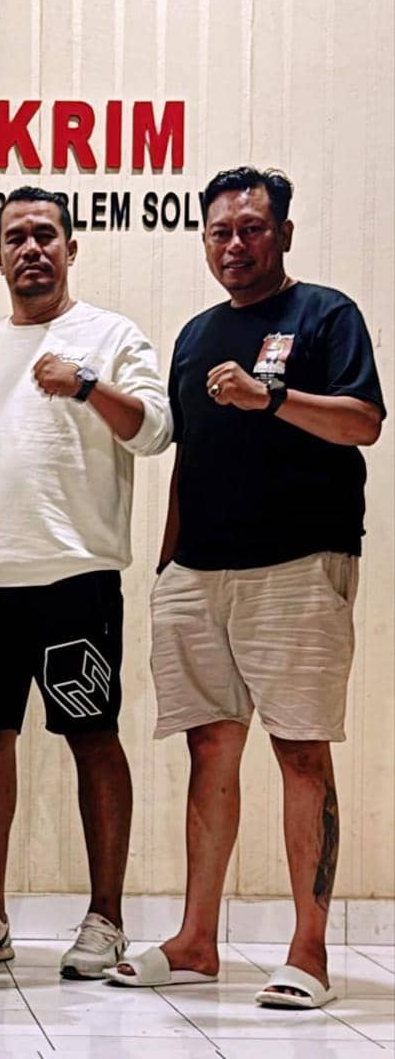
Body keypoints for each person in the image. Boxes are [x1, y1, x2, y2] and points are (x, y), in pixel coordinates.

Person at [106, 167, 384, 1008]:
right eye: (220, 231)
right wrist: (165, 566)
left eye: (252, 228)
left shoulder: (325, 315)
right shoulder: (195, 334)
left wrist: (271, 398)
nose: (235, 244)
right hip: (195, 576)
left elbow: (362, 422)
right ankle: (196, 942)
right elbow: (188, 455)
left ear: (283, 234)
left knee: (299, 752)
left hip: (297, 569)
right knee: (208, 751)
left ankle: (308, 951)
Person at [0, 186, 172, 978]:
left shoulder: (111, 336)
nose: (31, 248)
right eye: (16, 237)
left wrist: (84, 384)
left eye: (45, 234)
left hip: (77, 578)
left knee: (92, 737)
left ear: (71, 248)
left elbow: (153, 432)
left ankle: (105, 918)